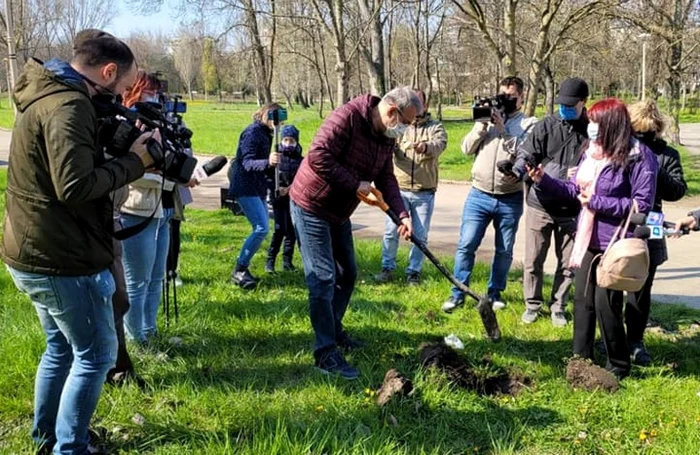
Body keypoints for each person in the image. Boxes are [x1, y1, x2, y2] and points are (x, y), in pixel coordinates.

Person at [1, 30, 155, 454]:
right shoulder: (69, 105)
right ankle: (70, 448)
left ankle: (49, 438)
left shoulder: (47, 95)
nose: (121, 97)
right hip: (61, 256)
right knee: (97, 355)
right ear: (108, 71)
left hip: (34, 249)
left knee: (59, 350)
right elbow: (74, 185)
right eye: (123, 88)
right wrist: (134, 162)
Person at [290, 87, 419, 379]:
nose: (407, 129)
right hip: (311, 204)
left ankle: (333, 331)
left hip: (339, 211)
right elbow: (317, 155)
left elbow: (386, 177)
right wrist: (354, 184)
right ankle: (325, 354)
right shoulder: (346, 117)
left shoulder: (385, 137)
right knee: (323, 277)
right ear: (391, 112)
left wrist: (401, 214)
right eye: (407, 122)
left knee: (348, 273)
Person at [529, 98, 658, 379]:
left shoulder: (640, 156)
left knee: (605, 305)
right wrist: (543, 180)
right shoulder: (592, 152)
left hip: (617, 243)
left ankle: (618, 365)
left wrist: (598, 202)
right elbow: (574, 190)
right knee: (583, 303)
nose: (591, 127)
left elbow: (641, 206)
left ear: (612, 125)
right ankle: (580, 360)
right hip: (588, 239)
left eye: (596, 123)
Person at [441, 77, 536, 312]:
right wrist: (481, 127)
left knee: (504, 250)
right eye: (502, 94)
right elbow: (465, 149)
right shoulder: (486, 120)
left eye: (510, 96)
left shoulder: (529, 124)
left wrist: (503, 131)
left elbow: (526, 152)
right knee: (466, 244)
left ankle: (495, 293)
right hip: (479, 194)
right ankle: (458, 293)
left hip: (509, 197)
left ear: (521, 98)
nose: (505, 100)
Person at [514, 77, 590, 327]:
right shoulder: (545, 126)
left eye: (570, 105)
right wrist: (517, 169)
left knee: (569, 263)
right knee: (534, 258)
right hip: (540, 204)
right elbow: (526, 153)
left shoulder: (591, 130)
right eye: (561, 104)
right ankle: (532, 304)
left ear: (583, 103)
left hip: (573, 208)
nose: (564, 109)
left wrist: (578, 173)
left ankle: (559, 305)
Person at [624, 100, 686, 366]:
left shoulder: (667, 154)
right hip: (620, 216)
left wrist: (653, 167)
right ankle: (612, 336)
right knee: (613, 280)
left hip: (653, 219)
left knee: (642, 285)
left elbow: (677, 190)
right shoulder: (621, 148)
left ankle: (635, 341)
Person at [120, 72, 177, 345]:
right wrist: (163, 178)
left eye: (157, 93)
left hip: (163, 211)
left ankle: (150, 331)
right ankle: (135, 340)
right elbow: (125, 171)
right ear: (135, 91)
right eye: (149, 91)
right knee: (136, 281)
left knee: (157, 278)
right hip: (136, 211)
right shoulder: (125, 124)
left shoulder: (161, 124)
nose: (155, 97)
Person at [376, 89, 447, 285]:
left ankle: (413, 272)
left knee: (420, 235)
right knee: (392, 231)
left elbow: (440, 145)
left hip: (424, 191)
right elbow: (389, 145)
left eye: (420, 103)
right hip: (399, 189)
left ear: (424, 106)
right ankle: (387, 267)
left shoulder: (435, 127)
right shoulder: (399, 126)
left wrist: (425, 147)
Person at [228, 103, 282, 289]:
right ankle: (240, 269)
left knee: (262, 227)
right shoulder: (252, 132)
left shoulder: (267, 133)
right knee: (261, 228)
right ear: (266, 115)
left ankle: (243, 268)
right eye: (276, 118)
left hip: (258, 186)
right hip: (244, 185)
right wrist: (268, 161)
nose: (279, 123)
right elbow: (247, 162)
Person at [266, 125, 304, 273]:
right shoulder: (276, 158)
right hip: (278, 199)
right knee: (280, 229)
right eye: (285, 140)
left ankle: (287, 261)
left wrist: (289, 189)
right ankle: (270, 261)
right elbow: (268, 176)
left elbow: (302, 179)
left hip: (293, 199)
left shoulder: (301, 161)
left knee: (292, 231)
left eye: (292, 140)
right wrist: (276, 189)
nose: (288, 143)